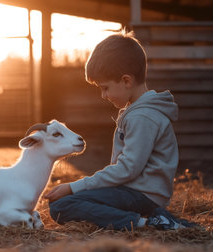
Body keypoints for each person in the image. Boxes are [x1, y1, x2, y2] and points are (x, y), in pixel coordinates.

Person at [44, 30, 186, 231]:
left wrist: (73, 186)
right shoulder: (136, 111)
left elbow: (127, 169)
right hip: (135, 192)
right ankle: (147, 218)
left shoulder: (142, 117)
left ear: (126, 81)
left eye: (105, 87)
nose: (103, 95)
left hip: (142, 196)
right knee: (64, 202)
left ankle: (146, 222)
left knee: (61, 205)